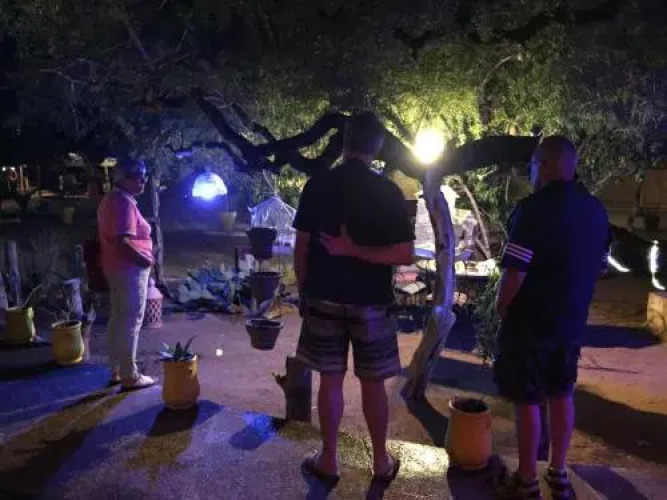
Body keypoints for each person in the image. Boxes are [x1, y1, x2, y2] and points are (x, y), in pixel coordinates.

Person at [293, 112, 415, 486]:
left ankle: (329, 460)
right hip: (372, 303)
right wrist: (360, 251)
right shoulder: (388, 192)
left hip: (323, 298)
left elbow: (302, 248)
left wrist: (304, 292)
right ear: (378, 147)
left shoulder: (317, 186)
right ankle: (380, 462)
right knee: (373, 383)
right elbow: (404, 254)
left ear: (345, 141)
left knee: (329, 379)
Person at [494, 136, 609, 499]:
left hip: (530, 321)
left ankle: (527, 478)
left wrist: (502, 306)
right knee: (562, 393)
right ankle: (558, 472)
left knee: (528, 399)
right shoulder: (596, 210)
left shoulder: (532, 210)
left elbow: (515, 272)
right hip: (570, 321)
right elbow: (600, 266)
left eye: (533, 165)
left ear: (543, 165)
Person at [98, 159, 156, 390]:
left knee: (118, 318)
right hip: (129, 270)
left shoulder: (111, 199)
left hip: (115, 269)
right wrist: (146, 260)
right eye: (139, 177)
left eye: (144, 177)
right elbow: (122, 242)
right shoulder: (123, 203)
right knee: (131, 320)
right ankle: (130, 375)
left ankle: (117, 369)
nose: (144, 181)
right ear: (125, 179)